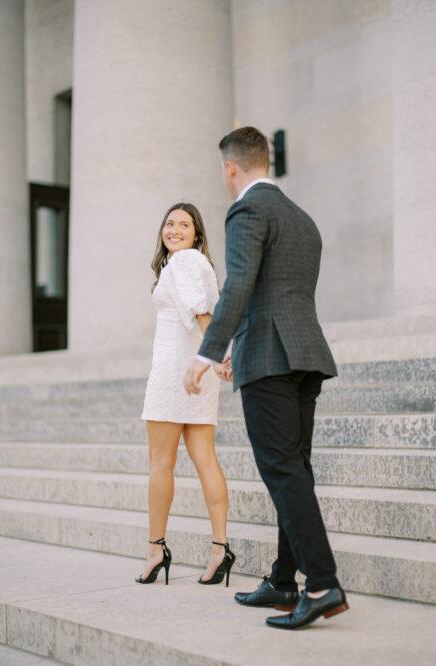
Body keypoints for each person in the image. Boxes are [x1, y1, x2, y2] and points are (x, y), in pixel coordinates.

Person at [184, 127, 349, 629]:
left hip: (270, 360)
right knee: (293, 468)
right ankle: (283, 581)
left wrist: (209, 351)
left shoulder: (247, 210)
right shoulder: (302, 218)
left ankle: (321, 584)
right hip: (305, 355)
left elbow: (240, 284)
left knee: (283, 470)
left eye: (222, 169)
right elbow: (276, 292)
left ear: (231, 167)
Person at [137, 202, 235, 587]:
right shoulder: (197, 264)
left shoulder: (183, 262)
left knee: (160, 464)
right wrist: (216, 358)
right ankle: (219, 550)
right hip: (199, 369)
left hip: (176, 372)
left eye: (185, 224)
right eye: (169, 223)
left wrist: (218, 356)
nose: (174, 229)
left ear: (197, 234)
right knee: (206, 460)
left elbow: (199, 311)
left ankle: (156, 550)